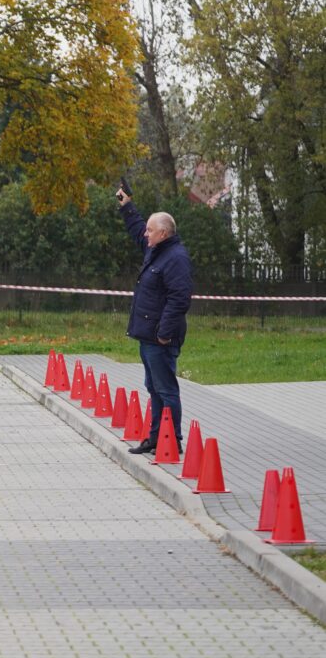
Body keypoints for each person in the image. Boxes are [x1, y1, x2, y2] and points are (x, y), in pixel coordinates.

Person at [118, 187, 193, 456]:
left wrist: (163, 333)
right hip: (148, 335)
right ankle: (156, 438)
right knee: (154, 387)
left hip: (160, 338)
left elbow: (180, 299)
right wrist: (127, 206)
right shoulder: (157, 251)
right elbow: (138, 230)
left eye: (150, 230)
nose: (145, 234)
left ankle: (172, 440)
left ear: (163, 233)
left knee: (165, 389)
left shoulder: (176, 258)